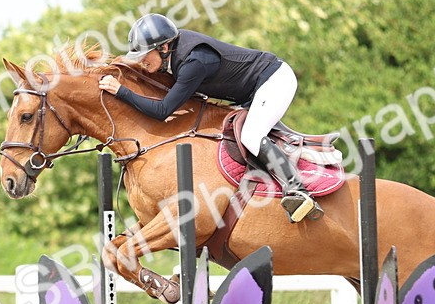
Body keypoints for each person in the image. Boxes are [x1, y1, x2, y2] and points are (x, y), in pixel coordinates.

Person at [98, 13, 321, 223]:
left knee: (251, 136)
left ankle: (298, 190)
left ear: (164, 47)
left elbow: (162, 110)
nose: (142, 62)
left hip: (274, 81)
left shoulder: (194, 62)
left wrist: (121, 91)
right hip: (253, 92)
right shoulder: (174, 52)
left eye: (144, 55)